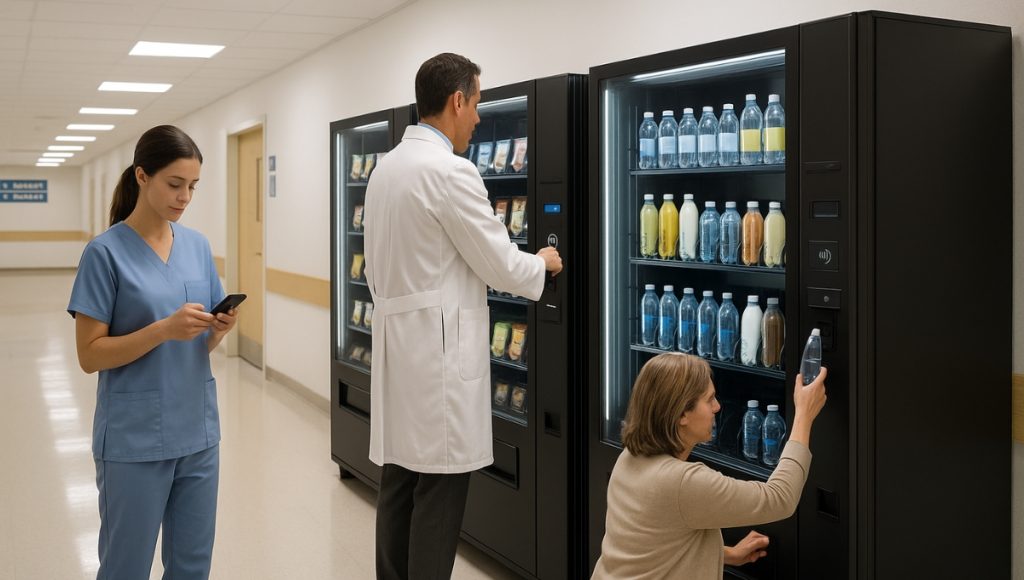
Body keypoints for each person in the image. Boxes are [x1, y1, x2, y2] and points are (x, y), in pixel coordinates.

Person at [363, 52, 562, 579]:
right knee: (440, 498)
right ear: (457, 100)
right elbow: (502, 265)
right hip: (439, 364)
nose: (478, 117)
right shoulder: (451, 172)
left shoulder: (386, 169)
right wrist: (541, 262)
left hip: (400, 356)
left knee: (400, 486)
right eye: (476, 103)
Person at [68, 125, 238, 579]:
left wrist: (217, 329)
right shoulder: (104, 254)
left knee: (191, 566)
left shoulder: (197, 247)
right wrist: (163, 329)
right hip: (134, 439)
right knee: (126, 566)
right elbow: (89, 355)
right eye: (174, 184)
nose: (184, 197)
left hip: (198, 432)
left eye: (192, 187)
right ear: (142, 177)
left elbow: (200, 342)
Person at [591, 353, 827, 579]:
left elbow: (655, 543)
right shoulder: (682, 482)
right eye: (709, 399)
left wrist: (727, 555)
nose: (717, 407)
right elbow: (779, 498)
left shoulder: (630, 457)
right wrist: (804, 415)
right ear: (681, 413)